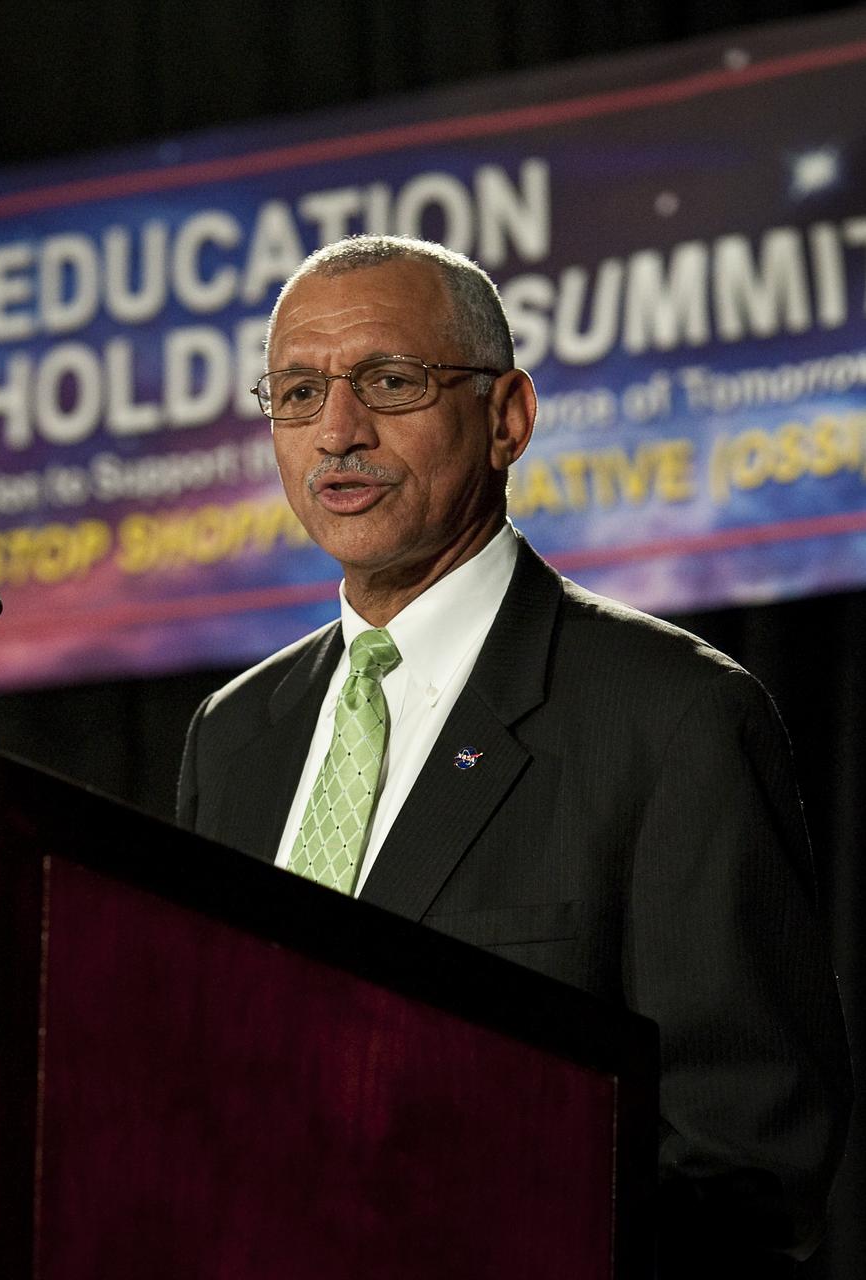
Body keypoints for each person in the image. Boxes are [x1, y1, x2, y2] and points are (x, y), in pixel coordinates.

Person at [176, 235, 851, 1276]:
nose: (338, 430)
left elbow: (740, 1171)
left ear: (508, 418)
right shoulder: (234, 733)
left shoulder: (675, 718)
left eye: (390, 381)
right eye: (298, 391)